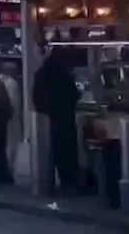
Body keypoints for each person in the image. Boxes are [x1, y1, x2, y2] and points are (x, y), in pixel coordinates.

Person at [33, 48, 81, 190]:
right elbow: (73, 95)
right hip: (65, 118)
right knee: (67, 151)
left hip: (47, 119)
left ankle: (50, 182)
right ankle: (69, 181)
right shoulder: (63, 75)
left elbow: (37, 98)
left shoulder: (40, 74)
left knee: (53, 151)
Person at [0, 61, 23, 173]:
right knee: (12, 145)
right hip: (12, 118)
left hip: (1, 118)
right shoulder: (12, 83)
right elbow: (15, 102)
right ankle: (10, 167)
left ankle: (4, 167)